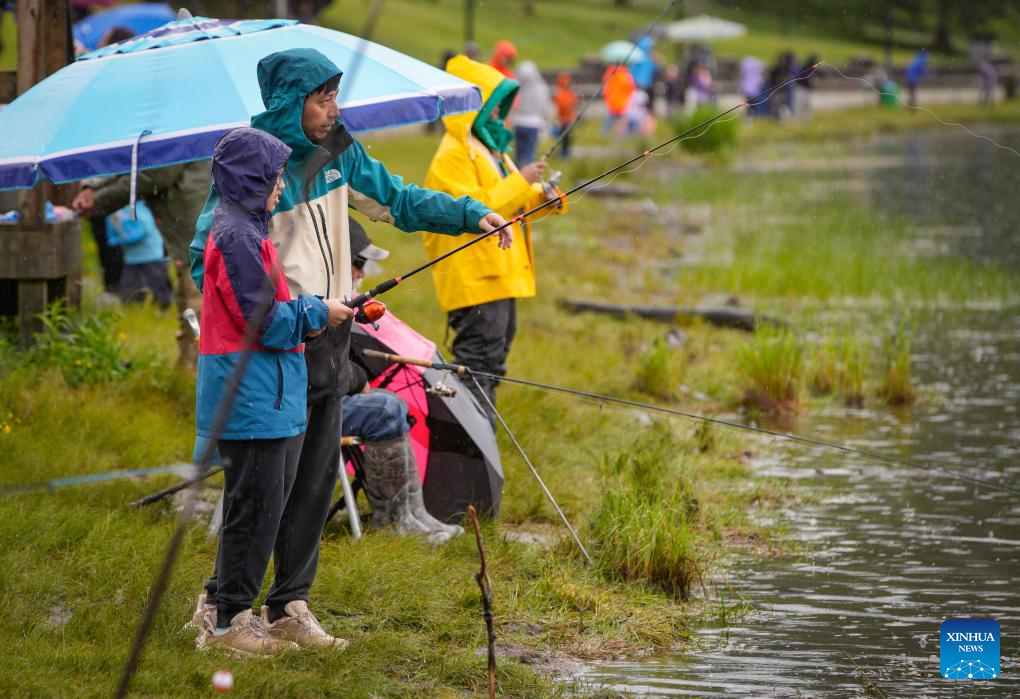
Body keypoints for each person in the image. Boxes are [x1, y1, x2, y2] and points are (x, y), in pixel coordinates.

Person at [188, 48, 508, 646]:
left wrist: (472, 215)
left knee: (311, 484)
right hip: (279, 348)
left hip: (333, 337)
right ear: (291, 104)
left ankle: (288, 608)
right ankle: (222, 607)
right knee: (264, 490)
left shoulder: (341, 149)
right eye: (323, 97)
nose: (334, 108)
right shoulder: (257, 167)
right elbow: (203, 259)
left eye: (336, 95)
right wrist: (273, 312)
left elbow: (402, 200)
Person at [194, 127, 347, 655]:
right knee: (255, 511)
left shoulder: (248, 230)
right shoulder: (236, 236)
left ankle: (228, 613)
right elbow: (267, 323)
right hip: (250, 397)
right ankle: (228, 627)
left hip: (267, 395)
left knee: (259, 510)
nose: (281, 186)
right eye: (276, 176)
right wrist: (316, 310)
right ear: (252, 178)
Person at [422, 55, 567, 425]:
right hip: (475, 279)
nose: (499, 117)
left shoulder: (492, 148)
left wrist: (543, 197)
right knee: (476, 363)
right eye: (493, 107)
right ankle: (469, 447)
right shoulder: (451, 155)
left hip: (499, 275)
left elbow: (508, 199)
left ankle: (478, 445)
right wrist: (522, 181)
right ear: (472, 107)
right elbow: (473, 209)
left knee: (493, 361)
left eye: (501, 109)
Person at [342, 218, 463, 543]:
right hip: (304, 408)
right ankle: (393, 520)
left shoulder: (334, 301)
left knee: (389, 404)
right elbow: (315, 369)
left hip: (319, 398)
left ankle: (412, 513)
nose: (362, 273)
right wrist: (355, 379)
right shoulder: (315, 301)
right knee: (383, 408)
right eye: (358, 263)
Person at [73, 161, 210, 370]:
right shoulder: (156, 133)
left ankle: (199, 373)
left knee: (196, 305)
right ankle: (188, 370)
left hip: (194, 228)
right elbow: (137, 164)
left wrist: (98, 198)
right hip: (187, 227)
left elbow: (153, 175)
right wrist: (94, 189)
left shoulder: (168, 133)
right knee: (187, 303)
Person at [105, 201, 173, 306]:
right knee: (130, 289)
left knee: (158, 286)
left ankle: (163, 308)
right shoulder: (116, 212)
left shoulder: (140, 209)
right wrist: (118, 229)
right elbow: (112, 237)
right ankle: (133, 310)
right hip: (131, 258)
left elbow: (141, 231)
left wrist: (121, 230)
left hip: (151, 255)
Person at [512, 60, 553, 165]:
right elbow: (545, 108)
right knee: (529, 155)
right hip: (533, 124)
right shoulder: (541, 87)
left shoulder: (517, 86)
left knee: (518, 155)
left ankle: (516, 176)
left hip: (518, 122)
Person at [602, 64, 636, 134]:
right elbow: (631, 87)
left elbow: (605, 87)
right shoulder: (625, 75)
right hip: (623, 102)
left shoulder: (610, 72)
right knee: (622, 120)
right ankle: (621, 134)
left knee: (610, 119)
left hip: (612, 101)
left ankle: (605, 134)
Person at [552, 71, 579, 158]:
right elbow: (559, 105)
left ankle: (565, 152)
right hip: (562, 118)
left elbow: (573, 104)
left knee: (567, 137)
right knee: (563, 137)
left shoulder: (569, 92)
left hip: (568, 118)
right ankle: (563, 152)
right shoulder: (560, 92)